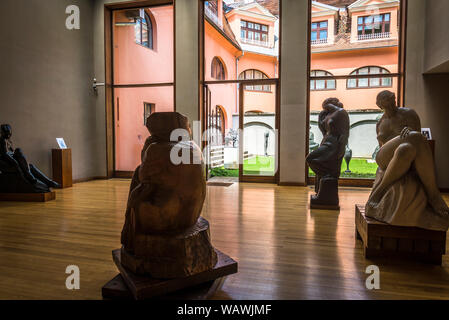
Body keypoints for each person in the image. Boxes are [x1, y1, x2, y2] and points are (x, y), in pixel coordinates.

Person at [0, 124, 60, 190]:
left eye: (9, 132)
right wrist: (16, 163)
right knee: (19, 150)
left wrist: (24, 162)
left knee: (30, 165)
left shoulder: (8, 141)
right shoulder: (2, 140)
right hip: (7, 163)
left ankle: (48, 182)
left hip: (13, 160)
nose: (9, 134)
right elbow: (5, 155)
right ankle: (31, 176)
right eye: (7, 132)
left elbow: (13, 153)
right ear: (3, 132)